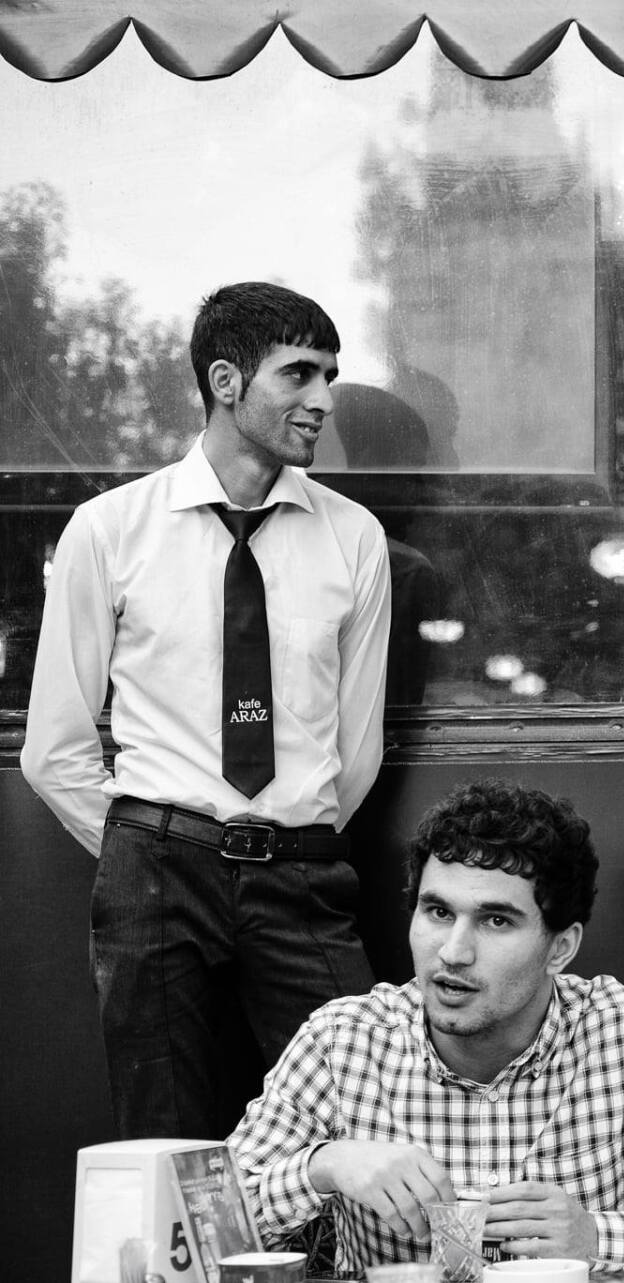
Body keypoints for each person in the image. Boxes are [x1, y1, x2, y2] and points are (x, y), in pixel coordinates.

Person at [23, 282, 391, 1140]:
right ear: (226, 381)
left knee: (362, 1123)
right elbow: (54, 749)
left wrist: (289, 831)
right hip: (157, 873)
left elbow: (356, 746)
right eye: (299, 373)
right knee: (165, 1139)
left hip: (302, 874)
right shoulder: (109, 530)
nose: (323, 399)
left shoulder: (354, 538)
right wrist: (147, 845)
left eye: (330, 376)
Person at [226, 778, 624, 1273]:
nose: (453, 952)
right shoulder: (343, 1041)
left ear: (561, 947)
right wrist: (323, 1166)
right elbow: (208, 1224)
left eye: (496, 921)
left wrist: (598, 1236)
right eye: (438, 912)